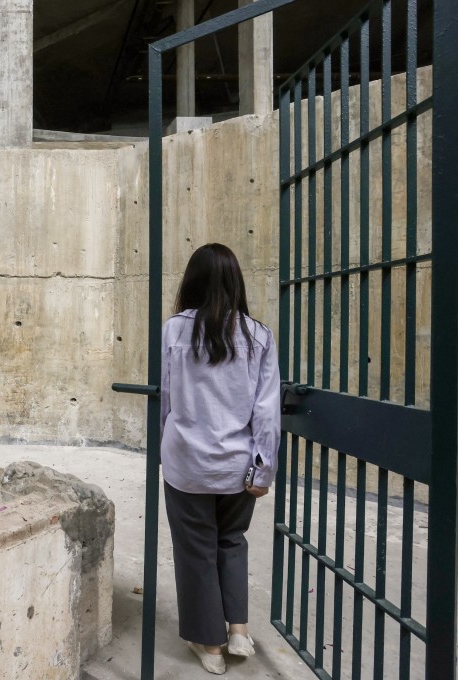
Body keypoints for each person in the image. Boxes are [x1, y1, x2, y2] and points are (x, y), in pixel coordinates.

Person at [159, 243, 280, 675]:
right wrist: (263, 469)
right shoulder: (259, 336)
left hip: (187, 463)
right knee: (231, 541)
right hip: (238, 464)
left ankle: (210, 647)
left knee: (196, 550)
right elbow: (267, 411)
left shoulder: (174, 330)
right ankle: (239, 632)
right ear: (236, 282)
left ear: (191, 281)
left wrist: (164, 448)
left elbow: (166, 400)